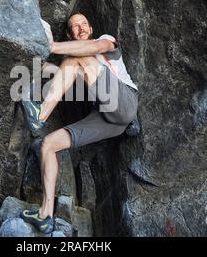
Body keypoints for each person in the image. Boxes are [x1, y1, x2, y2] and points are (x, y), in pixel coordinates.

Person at [19, 13, 139, 234]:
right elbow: (57, 72)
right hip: (108, 119)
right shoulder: (78, 65)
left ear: (91, 28)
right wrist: (32, 57)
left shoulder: (103, 41)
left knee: (75, 58)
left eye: (84, 23)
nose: (81, 28)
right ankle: (45, 214)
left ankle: (40, 115)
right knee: (48, 144)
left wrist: (52, 46)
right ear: (69, 34)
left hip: (125, 102)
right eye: (75, 26)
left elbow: (95, 47)